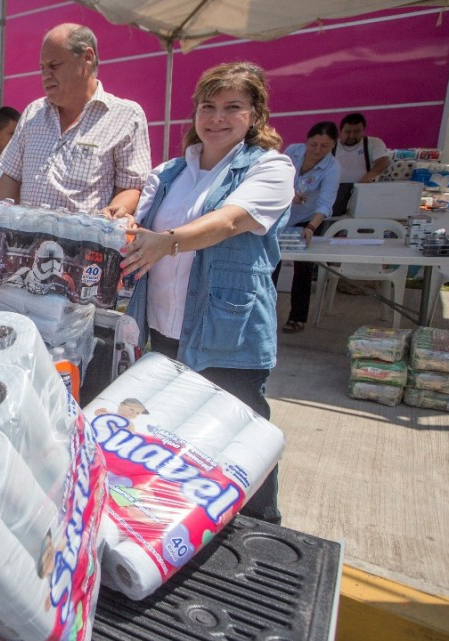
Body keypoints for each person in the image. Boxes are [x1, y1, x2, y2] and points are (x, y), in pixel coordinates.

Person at [113, 61, 295, 525]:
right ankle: (188, 527)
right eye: (207, 107)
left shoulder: (270, 168)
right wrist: (123, 222)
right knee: (177, 440)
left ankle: (261, 528)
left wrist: (167, 241)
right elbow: (138, 221)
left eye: (232, 107)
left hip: (228, 335)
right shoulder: (170, 172)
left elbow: (230, 221)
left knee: (241, 442)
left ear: (255, 115)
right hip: (164, 330)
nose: (216, 118)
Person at [0, 23, 151, 215]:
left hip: (85, 235)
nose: (45, 76)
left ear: (87, 58)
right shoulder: (33, 113)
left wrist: (115, 211)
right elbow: (10, 179)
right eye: (42, 68)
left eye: (54, 65)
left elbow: (132, 187)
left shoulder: (126, 116)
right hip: (23, 235)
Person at [273, 122, 341, 333]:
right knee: (270, 263)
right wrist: (288, 193)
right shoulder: (293, 151)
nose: (317, 150)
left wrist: (311, 227)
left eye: (324, 146)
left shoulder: (332, 168)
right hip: (280, 214)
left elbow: (325, 203)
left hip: (308, 219)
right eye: (314, 144)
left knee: (303, 268)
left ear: (333, 145)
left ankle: (298, 316)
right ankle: (263, 313)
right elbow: (275, 178)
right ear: (306, 141)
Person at [331, 112, 391, 218]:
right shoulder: (331, 146)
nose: (352, 136)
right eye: (347, 132)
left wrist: (366, 179)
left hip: (365, 192)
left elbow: (384, 161)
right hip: (336, 193)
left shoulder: (374, 143)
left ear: (363, 131)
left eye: (357, 131)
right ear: (341, 131)